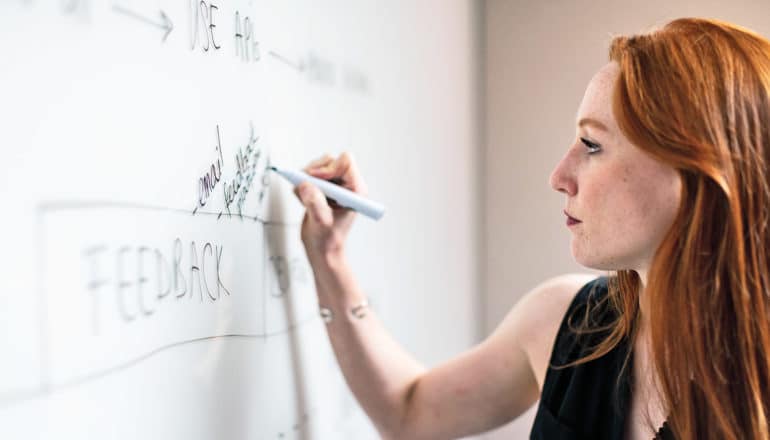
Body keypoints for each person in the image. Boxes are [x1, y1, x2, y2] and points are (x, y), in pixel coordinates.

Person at [292, 17, 770, 440]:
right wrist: (330, 257)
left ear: (695, 173)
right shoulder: (569, 323)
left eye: (592, 144)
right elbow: (409, 414)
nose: (559, 177)